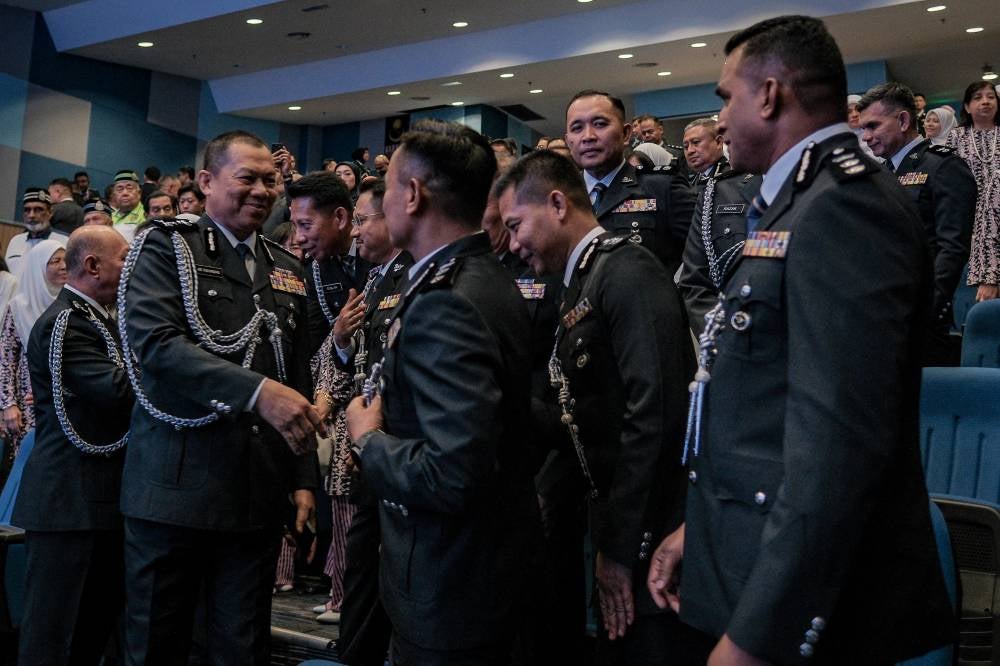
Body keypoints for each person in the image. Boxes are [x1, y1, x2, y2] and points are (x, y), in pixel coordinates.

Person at [647, 15, 954, 665]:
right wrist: (703, 529)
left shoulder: (843, 205)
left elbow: (837, 450)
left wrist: (759, 635)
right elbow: (764, 405)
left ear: (769, 95)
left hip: (824, 612)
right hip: (759, 552)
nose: (720, 120)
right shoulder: (798, 200)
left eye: (726, 97)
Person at [495, 150, 712, 665]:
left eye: (516, 225)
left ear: (557, 204)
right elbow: (582, 415)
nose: (513, 243)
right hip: (616, 515)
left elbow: (654, 415)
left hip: (655, 534)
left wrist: (621, 546)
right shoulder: (584, 279)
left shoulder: (626, 271)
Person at [118, 130, 322, 665]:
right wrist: (256, 393)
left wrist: (303, 478)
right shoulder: (166, 246)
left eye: (271, 180)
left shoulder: (288, 267)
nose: (262, 190)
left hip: (255, 493)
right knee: (156, 645)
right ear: (207, 181)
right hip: (174, 489)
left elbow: (296, 376)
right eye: (247, 178)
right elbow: (156, 344)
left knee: (242, 646)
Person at [344, 119, 538, 665]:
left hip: (449, 581)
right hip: (482, 572)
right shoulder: (481, 275)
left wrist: (368, 441)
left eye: (387, 187)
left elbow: (453, 472)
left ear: (412, 194)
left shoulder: (447, 300)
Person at [13, 226, 133, 665]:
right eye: (125, 259)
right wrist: (164, 356)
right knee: (54, 633)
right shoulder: (65, 322)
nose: (131, 269)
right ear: (93, 265)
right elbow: (116, 391)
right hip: (69, 498)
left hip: (96, 496)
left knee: (89, 630)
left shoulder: (99, 318)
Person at [333, 178, 413, 663]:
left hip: (394, 448)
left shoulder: (411, 275)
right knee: (362, 567)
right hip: (371, 445)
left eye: (363, 220)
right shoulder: (375, 277)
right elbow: (362, 362)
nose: (355, 231)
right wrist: (341, 342)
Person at [857, 82, 976, 365]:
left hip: (920, 322)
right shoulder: (880, 174)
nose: (866, 137)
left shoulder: (943, 166)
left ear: (903, 121)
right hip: (881, 316)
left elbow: (952, 248)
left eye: (873, 126)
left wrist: (924, 307)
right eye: (863, 128)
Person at [565, 90, 696, 277]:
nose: (588, 136)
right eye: (577, 128)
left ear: (626, 134)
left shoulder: (661, 188)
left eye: (600, 124)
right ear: (568, 141)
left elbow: (702, 258)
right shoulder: (559, 196)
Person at [677, 118, 761, 334]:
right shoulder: (696, 184)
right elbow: (695, 279)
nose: (690, 150)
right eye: (686, 146)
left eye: (696, 143)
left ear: (718, 142)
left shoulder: (741, 182)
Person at [0, 239, 67, 461]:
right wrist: (8, 404)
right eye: (55, 261)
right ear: (38, 267)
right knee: (27, 461)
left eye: (66, 260)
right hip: (27, 405)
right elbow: (6, 359)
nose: (63, 266)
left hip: (64, 402)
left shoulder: (73, 304)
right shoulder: (19, 307)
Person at [947, 81, 1000, 301]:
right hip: (969, 218)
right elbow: (950, 180)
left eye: (991, 97)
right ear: (967, 107)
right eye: (978, 97)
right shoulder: (956, 136)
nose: (985, 101)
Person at [5, 188, 69, 276]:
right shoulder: (16, 241)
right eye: (27, 210)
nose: (31, 215)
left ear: (50, 212)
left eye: (38, 210)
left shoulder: (64, 242)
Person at [110, 170, 146, 242]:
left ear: (139, 193)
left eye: (129, 188)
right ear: (114, 195)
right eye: (120, 189)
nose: (125, 193)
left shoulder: (147, 215)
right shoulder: (109, 217)